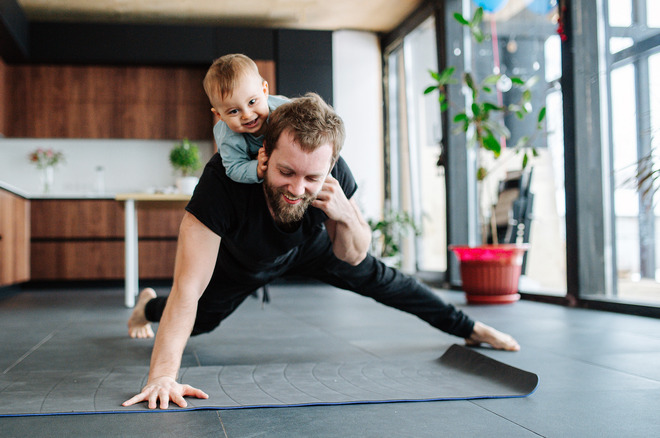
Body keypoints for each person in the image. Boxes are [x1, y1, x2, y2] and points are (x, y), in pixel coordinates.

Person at [123, 93, 520, 410]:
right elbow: (187, 289)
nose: (297, 189)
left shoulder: (335, 177)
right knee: (201, 320)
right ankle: (146, 307)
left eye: (312, 177)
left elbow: (355, 256)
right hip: (244, 260)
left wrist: (346, 215)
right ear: (263, 156)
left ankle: (469, 328)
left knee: (385, 280)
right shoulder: (221, 183)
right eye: (286, 172)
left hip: (310, 247)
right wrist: (161, 375)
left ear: (329, 168)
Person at [204, 53, 290, 184]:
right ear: (219, 115)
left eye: (252, 102)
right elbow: (234, 167)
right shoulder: (228, 137)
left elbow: (313, 123)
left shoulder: (285, 111)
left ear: (265, 91)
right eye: (234, 111)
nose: (247, 115)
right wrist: (257, 168)